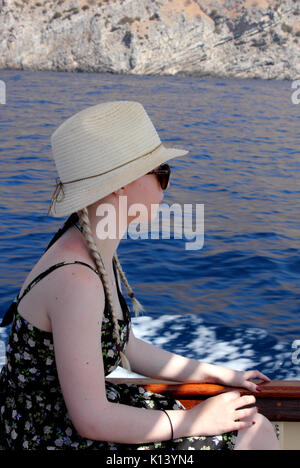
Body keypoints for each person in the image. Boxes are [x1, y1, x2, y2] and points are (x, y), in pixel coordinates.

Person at [0, 101, 280, 450]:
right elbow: (91, 420)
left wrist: (217, 374)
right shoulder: (78, 279)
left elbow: (124, 345)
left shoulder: (91, 247)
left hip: (59, 417)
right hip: (51, 434)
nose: (166, 186)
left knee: (254, 426)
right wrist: (196, 420)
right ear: (121, 183)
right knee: (253, 431)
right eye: (161, 172)